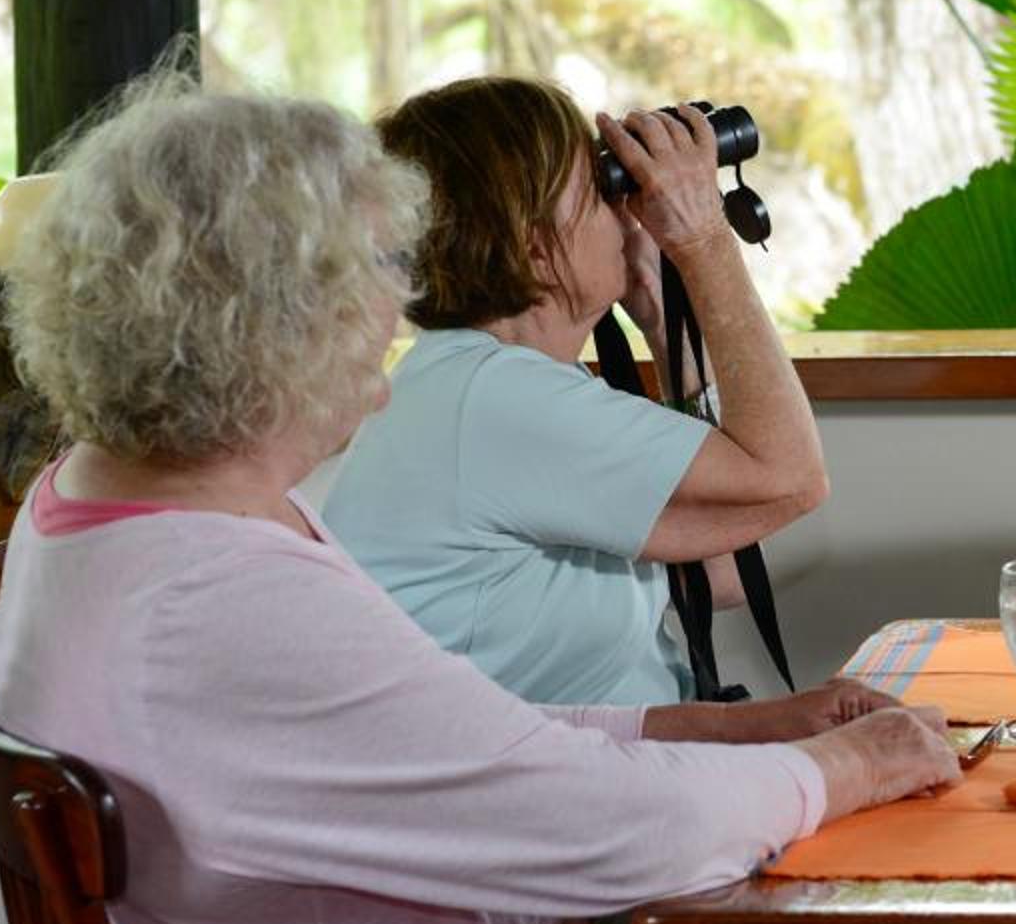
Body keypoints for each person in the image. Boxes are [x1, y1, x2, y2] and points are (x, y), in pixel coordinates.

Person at [0, 81, 1016, 924]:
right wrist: (834, 766)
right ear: (271, 325)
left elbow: (454, 734)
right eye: (367, 272)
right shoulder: (219, 598)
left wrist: (749, 736)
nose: (390, 311)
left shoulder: (101, 522)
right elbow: (621, 835)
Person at [320, 76, 831, 707]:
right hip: (528, 792)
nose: (627, 208)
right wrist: (702, 240)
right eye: (599, 191)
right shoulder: (495, 399)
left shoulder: (486, 383)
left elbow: (718, 572)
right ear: (537, 248)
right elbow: (794, 477)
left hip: (591, 766)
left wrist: (664, 329)